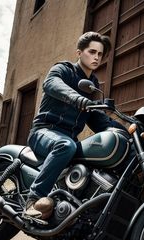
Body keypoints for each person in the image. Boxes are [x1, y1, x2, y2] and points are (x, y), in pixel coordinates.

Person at [24, 31, 124, 220]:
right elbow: (51, 84)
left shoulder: (92, 85)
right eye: (91, 52)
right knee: (66, 146)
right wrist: (77, 98)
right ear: (79, 52)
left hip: (68, 137)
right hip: (44, 131)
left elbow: (97, 119)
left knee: (84, 156)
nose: (96, 57)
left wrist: (128, 130)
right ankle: (34, 198)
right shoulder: (63, 69)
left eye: (100, 54)